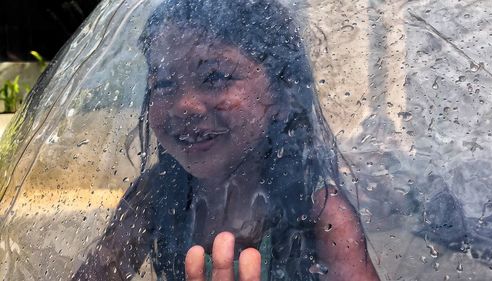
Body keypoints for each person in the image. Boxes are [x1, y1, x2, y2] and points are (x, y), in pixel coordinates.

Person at [72, 0, 380, 280]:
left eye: (216, 77)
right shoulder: (156, 195)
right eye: (163, 83)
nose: (185, 105)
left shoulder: (319, 213)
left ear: (282, 95)